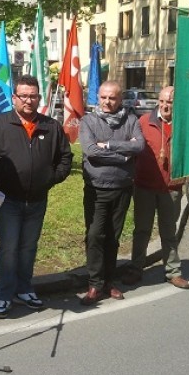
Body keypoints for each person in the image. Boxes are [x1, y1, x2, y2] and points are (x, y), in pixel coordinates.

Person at [0, 75, 73, 318]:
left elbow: (65, 157)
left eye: (34, 96)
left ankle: (24, 288)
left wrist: (51, 178)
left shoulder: (50, 126)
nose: (29, 100)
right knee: (8, 249)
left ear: (39, 98)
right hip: (8, 201)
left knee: (28, 247)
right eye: (24, 96)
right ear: (14, 98)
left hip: (37, 200)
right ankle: (5, 295)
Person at [79, 80, 144, 306]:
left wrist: (107, 145)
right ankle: (94, 284)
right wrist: (124, 154)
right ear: (98, 97)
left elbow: (139, 147)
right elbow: (90, 151)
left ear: (120, 99)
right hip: (97, 188)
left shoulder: (131, 120)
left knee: (113, 237)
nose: (107, 102)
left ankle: (108, 281)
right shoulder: (88, 121)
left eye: (112, 98)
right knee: (95, 235)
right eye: (104, 97)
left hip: (122, 188)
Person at [121, 87, 189, 289]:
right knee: (141, 230)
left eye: (170, 102)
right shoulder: (143, 122)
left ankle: (173, 272)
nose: (165, 106)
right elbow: (130, 149)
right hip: (145, 187)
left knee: (169, 231)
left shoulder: (182, 126)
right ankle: (136, 268)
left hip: (171, 188)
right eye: (162, 101)